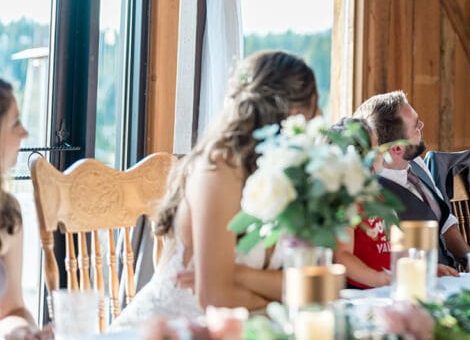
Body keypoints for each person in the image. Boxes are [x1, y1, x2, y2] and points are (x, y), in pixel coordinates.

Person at [110, 51, 320, 328]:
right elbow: (217, 299)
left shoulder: (284, 176)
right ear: (291, 112)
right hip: (164, 332)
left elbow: (308, 283)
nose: (319, 117)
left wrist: (239, 275)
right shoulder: (219, 171)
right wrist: (281, 302)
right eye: (313, 108)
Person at [353, 91, 467, 274]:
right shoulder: (371, 190)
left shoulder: (416, 162)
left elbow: (445, 223)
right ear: (398, 148)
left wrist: (469, 260)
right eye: (415, 126)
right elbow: (382, 259)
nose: (422, 125)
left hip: (451, 275)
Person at [0, 72, 43, 340]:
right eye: (15, 123)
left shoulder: (6, 213)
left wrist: (23, 333)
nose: (25, 133)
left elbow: (12, 309)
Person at [331, 118, 391, 289]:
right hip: (363, 293)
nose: (381, 151)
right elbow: (342, 256)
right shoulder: (347, 200)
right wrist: (380, 279)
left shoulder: (376, 194)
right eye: (376, 145)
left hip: (387, 287)